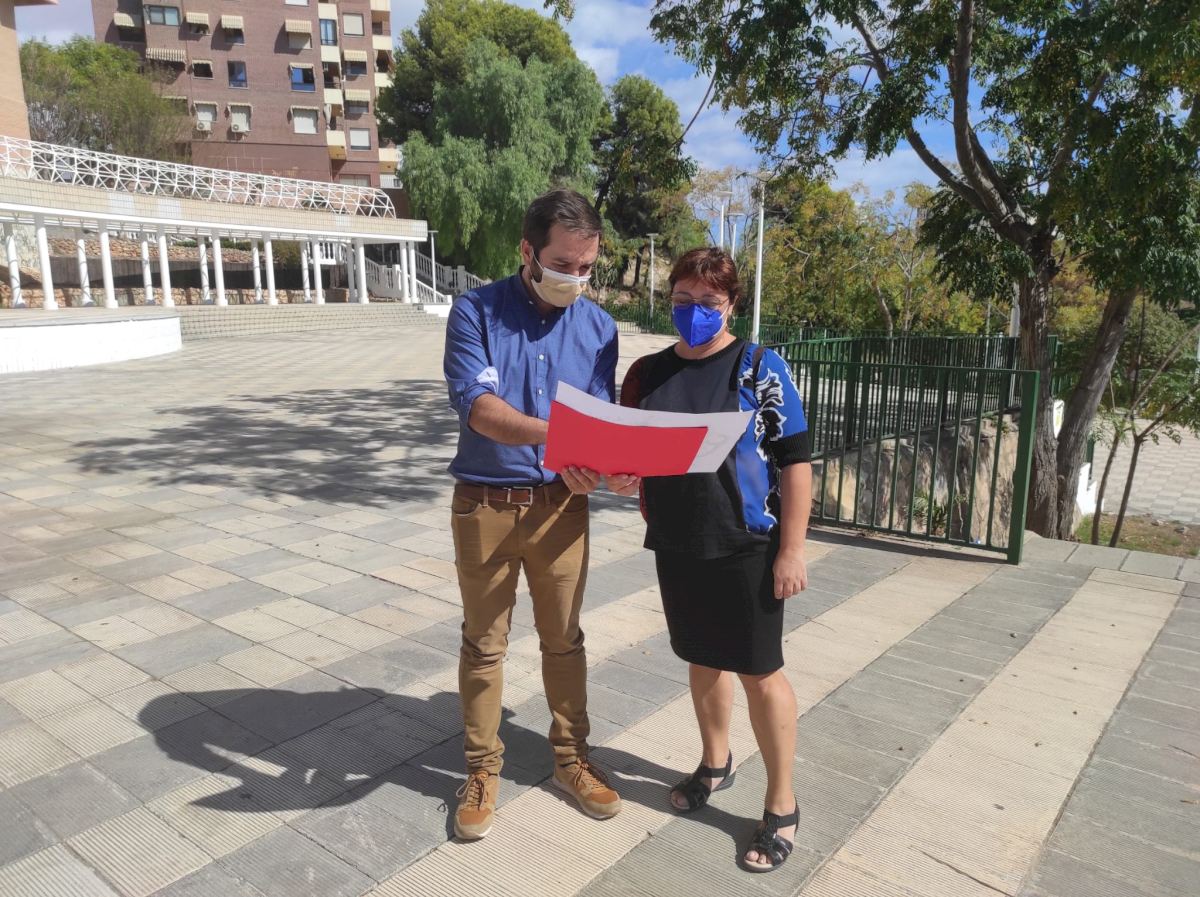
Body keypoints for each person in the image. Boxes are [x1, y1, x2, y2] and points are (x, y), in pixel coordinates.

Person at [443, 189, 638, 841]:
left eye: (587, 268)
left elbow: (597, 423)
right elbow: (481, 410)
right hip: (486, 505)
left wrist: (602, 465)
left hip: (562, 509)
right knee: (483, 644)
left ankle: (571, 759)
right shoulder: (475, 312)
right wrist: (563, 439)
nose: (575, 279)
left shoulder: (600, 328)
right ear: (527, 251)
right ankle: (480, 770)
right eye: (562, 264)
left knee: (565, 640)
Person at [618, 247, 813, 873]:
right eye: (683, 300)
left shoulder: (759, 367)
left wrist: (792, 549)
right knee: (702, 659)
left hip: (747, 543)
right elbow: (630, 456)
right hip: (678, 540)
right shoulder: (648, 373)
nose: (694, 311)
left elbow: (796, 462)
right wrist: (620, 475)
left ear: (731, 304)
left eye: (708, 301)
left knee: (760, 672)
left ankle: (782, 803)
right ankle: (715, 762)